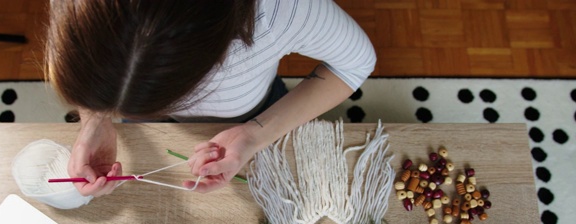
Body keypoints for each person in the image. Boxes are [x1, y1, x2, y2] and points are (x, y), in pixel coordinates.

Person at [45, 0, 376, 195]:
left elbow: (353, 64)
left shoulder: (280, 10)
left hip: (257, 114)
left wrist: (254, 133)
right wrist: (95, 120)